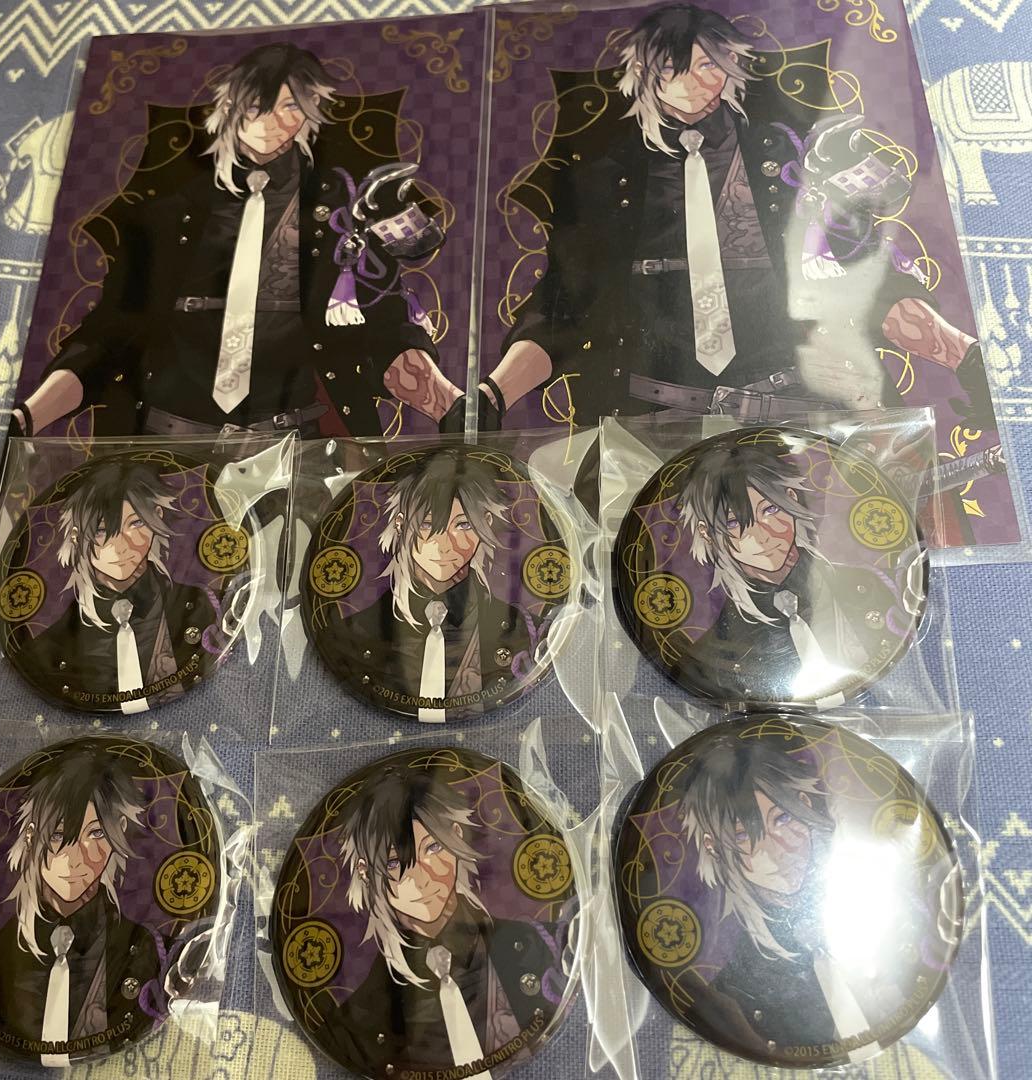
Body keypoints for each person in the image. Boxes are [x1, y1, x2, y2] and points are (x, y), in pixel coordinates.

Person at [486, 3, 991, 440]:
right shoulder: (602, 180)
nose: (692, 83)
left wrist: (966, 359)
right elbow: (563, 305)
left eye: (707, 64)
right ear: (643, 73)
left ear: (730, 67)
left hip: (804, 407)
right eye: (673, 67)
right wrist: (492, 396)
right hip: (650, 421)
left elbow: (862, 271)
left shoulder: (789, 154)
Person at [12, 42, 465, 440]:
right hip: (165, 444)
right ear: (229, 107)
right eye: (257, 105)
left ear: (310, 112)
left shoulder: (342, 212)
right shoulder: (167, 216)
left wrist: (452, 405)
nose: (272, 121)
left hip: (296, 446)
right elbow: (110, 334)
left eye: (290, 106)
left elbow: (385, 325)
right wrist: (26, 418)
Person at [316, 765, 558, 1074]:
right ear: (365, 871)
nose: (422, 878)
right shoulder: (356, 1022)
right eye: (394, 863)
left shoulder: (538, 946)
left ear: (455, 836)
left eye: (433, 848)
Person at [677, 731, 901, 1057]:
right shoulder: (736, 992)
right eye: (744, 836)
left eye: (783, 817)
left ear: (804, 803)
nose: (778, 848)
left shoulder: (884, 900)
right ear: (713, 847)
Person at [0, 745, 160, 1064]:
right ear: (30, 837)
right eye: (57, 836)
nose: (76, 858)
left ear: (119, 831)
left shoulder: (141, 945)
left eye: (97, 834)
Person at [672, 437, 902, 702]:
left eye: (770, 509)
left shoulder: (870, 588)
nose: (762, 536)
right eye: (734, 523)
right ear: (707, 534)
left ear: (791, 499)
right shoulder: (709, 657)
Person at [330, 449, 533, 720]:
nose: (444, 545)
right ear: (400, 525)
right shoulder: (356, 631)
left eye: (463, 525)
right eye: (427, 525)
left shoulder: (518, 627)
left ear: (485, 524)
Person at [17, 459, 216, 711]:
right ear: (76, 536)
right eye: (100, 531)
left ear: (157, 517)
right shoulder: (47, 649)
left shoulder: (201, 606)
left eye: (136, 523)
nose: (121, 546)